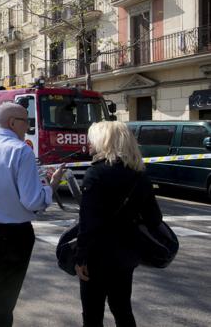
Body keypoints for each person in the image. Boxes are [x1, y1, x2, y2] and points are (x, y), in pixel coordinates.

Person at [0, 102, 64, 327]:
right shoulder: (21, 150)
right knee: (4, 298)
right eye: (26, 120)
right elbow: (32, 200)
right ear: (13, 122)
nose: (28, 126)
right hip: (15, 234)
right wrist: (51, 186)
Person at [75, 121, 162, 327]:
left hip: (97, 255)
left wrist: (80, 257)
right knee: (122, 309)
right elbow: (154, 219)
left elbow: (88, 223)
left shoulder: (96, 173)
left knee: (92, 313)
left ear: (104, 142)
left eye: (92, 140)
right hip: (128, 253)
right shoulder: (139, 175)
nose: (88, 145)